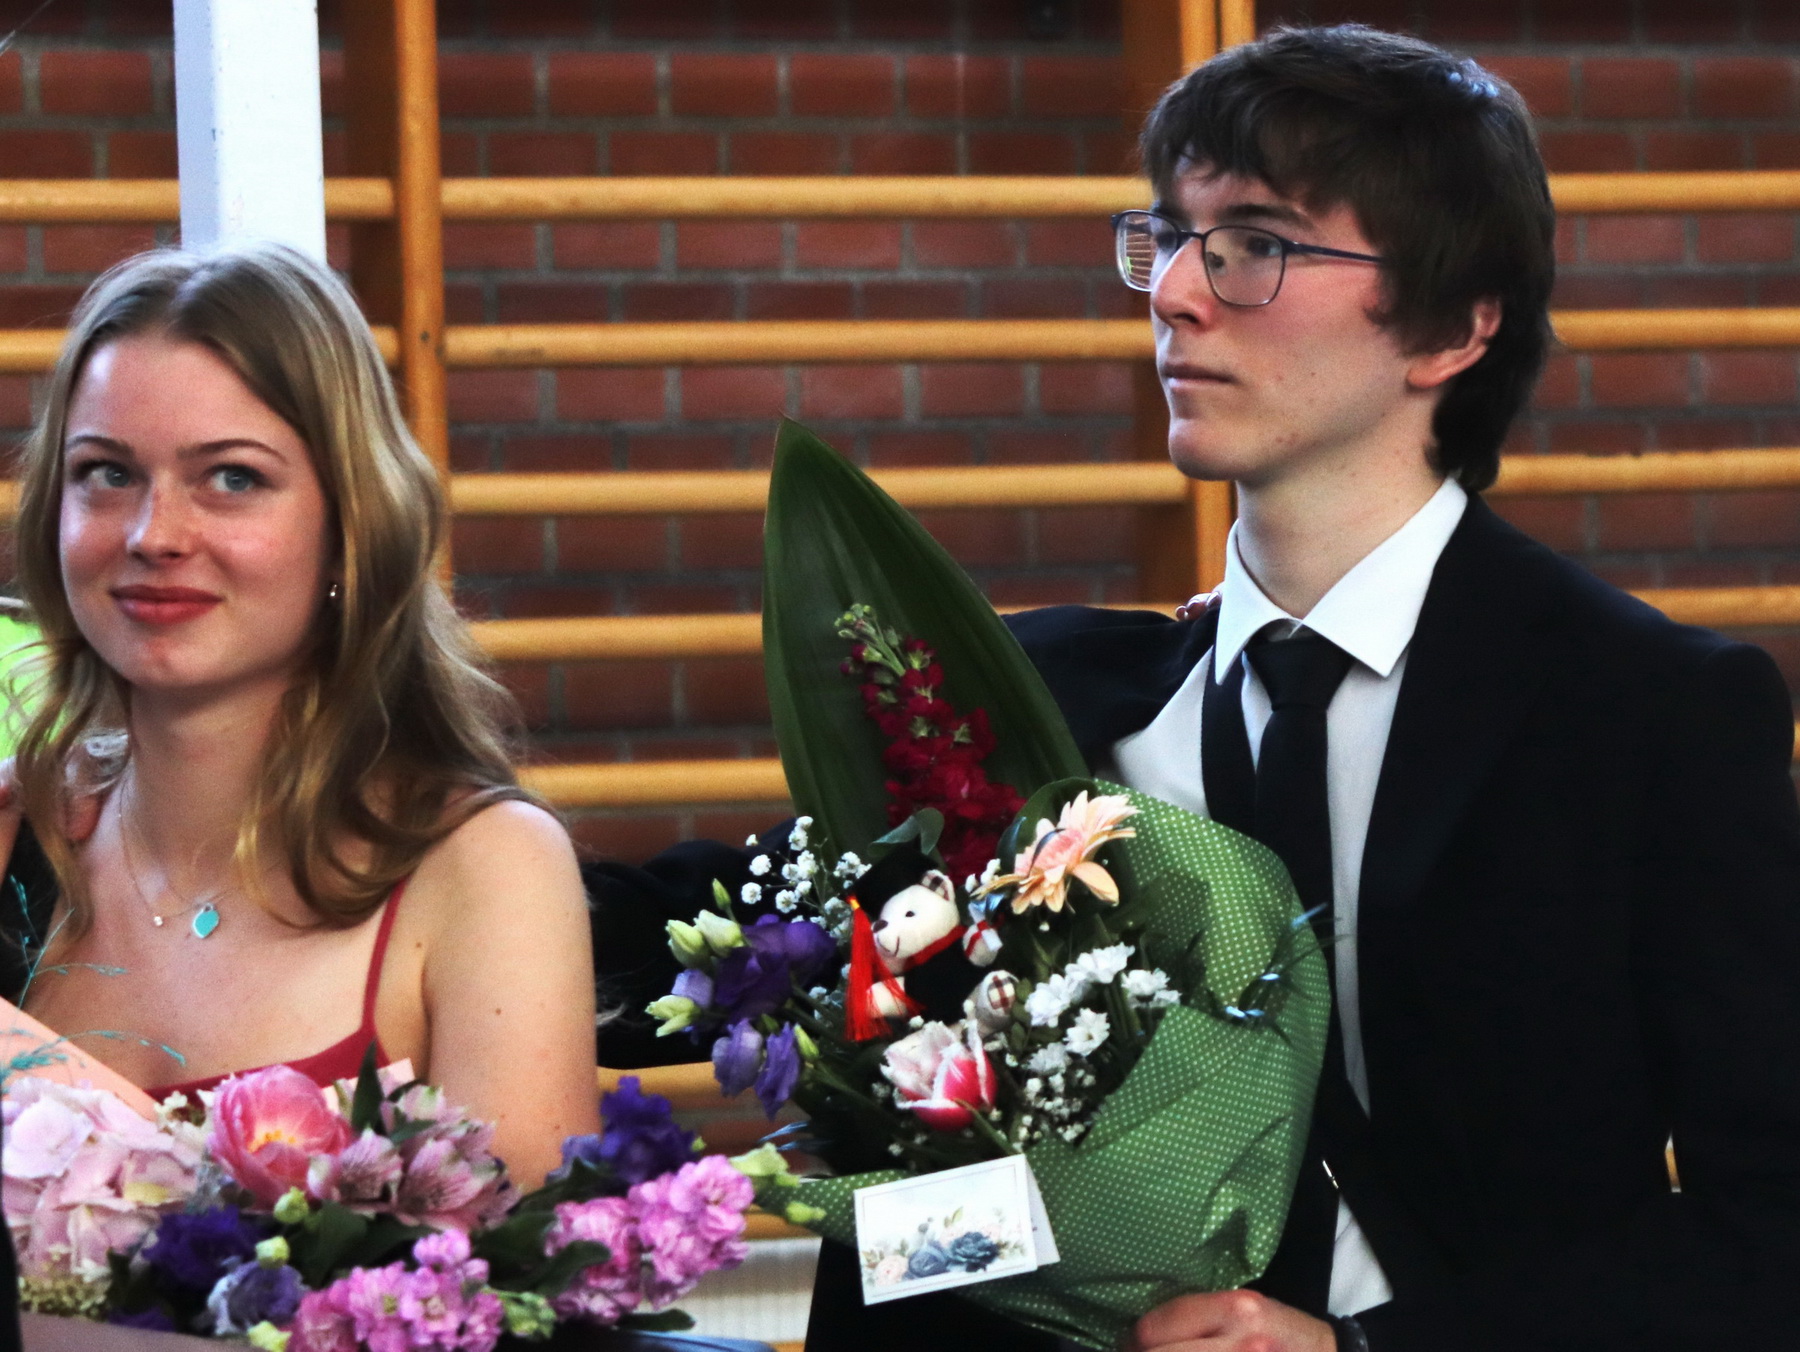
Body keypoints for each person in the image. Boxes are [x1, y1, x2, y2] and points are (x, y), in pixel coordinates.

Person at [592, 23, 1800, 1352]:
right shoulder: (1035, 700)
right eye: (1170, 236)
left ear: (1454, 326)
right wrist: (443, 841)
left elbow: (1769, 1227)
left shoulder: (1648, 717)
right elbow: (694, 941)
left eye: (1255, 244)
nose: (1174, 291)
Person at [0, 245, 600, 1190]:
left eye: (232, 478)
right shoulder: (16, 838)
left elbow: (528, 1275)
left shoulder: (483, 868)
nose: (154, 534)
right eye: (106, 473)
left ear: (351, 524)